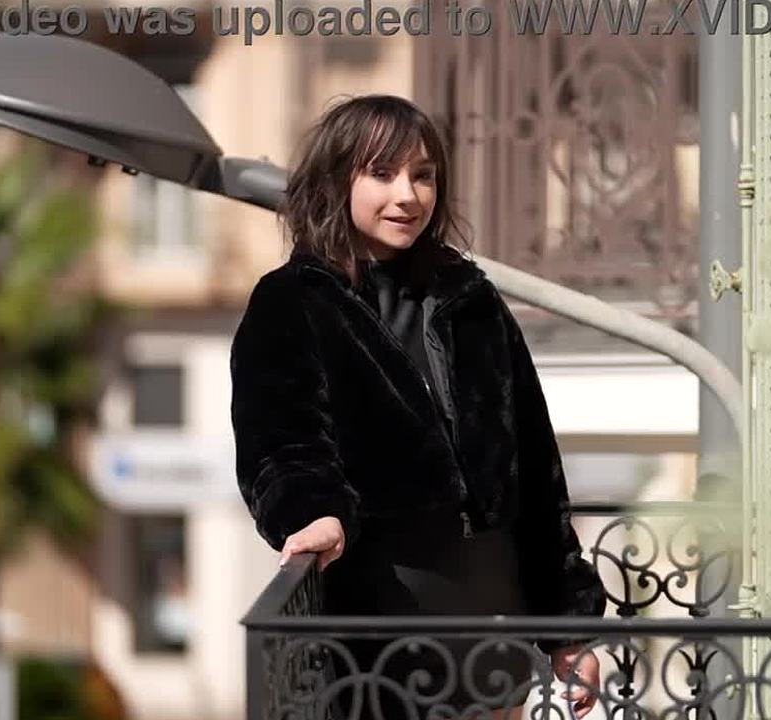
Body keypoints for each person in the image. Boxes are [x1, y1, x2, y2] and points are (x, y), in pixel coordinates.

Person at [231, 95, 606, 720]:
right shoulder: (291, 301)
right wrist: (310, 511)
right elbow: (282, 440)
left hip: (493, 626)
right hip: (381, 624)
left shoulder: (471, 298)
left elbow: (537, 472)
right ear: (336, 179)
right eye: (382, 173)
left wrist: (569, 627)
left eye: (423, 175)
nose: (407, 195)